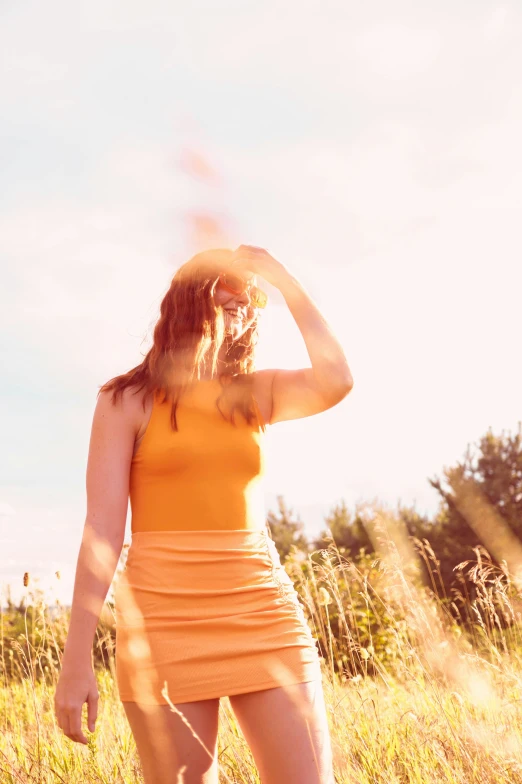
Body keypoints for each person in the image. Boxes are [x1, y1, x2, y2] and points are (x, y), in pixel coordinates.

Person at [54, 244, 353, 784]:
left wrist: (285, 282)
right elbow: (101, 530)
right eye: (228, 299)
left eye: (249, 305)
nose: (240, 313)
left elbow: (337, 380)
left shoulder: (254, 393)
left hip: (262, 609)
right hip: (164, 621)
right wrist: (77, 661)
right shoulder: (125, 400)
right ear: (190, 301)